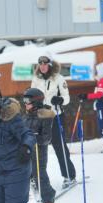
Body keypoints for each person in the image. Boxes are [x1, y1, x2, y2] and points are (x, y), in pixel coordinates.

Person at [31, 55, 76, 189]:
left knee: (59, 146)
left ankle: (69, 175)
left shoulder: (58, 78)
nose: (43, 66)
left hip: (55, 116)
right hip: (40, 117)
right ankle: (35, 177)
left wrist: (60, 100)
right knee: (36, 147)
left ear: (49, 65)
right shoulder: (36, 79)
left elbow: (67, 97)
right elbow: (31, 94)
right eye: (40, 63)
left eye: (45, 63)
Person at [22, 88, 57, 203]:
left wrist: (35, 136)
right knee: (23, 173)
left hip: (38, 151)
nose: (25, 103)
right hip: (26, 150)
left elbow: (46, 139)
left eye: (27, 101)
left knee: (39, 174)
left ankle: (48, 200)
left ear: (36, 101)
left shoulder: (44, 116)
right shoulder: (26, 117)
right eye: (24, 100)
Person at [79, 62, 103, 153]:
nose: (96, 72)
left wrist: (86, 96)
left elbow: (99, 94)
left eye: (97, 70)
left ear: (102, 71)